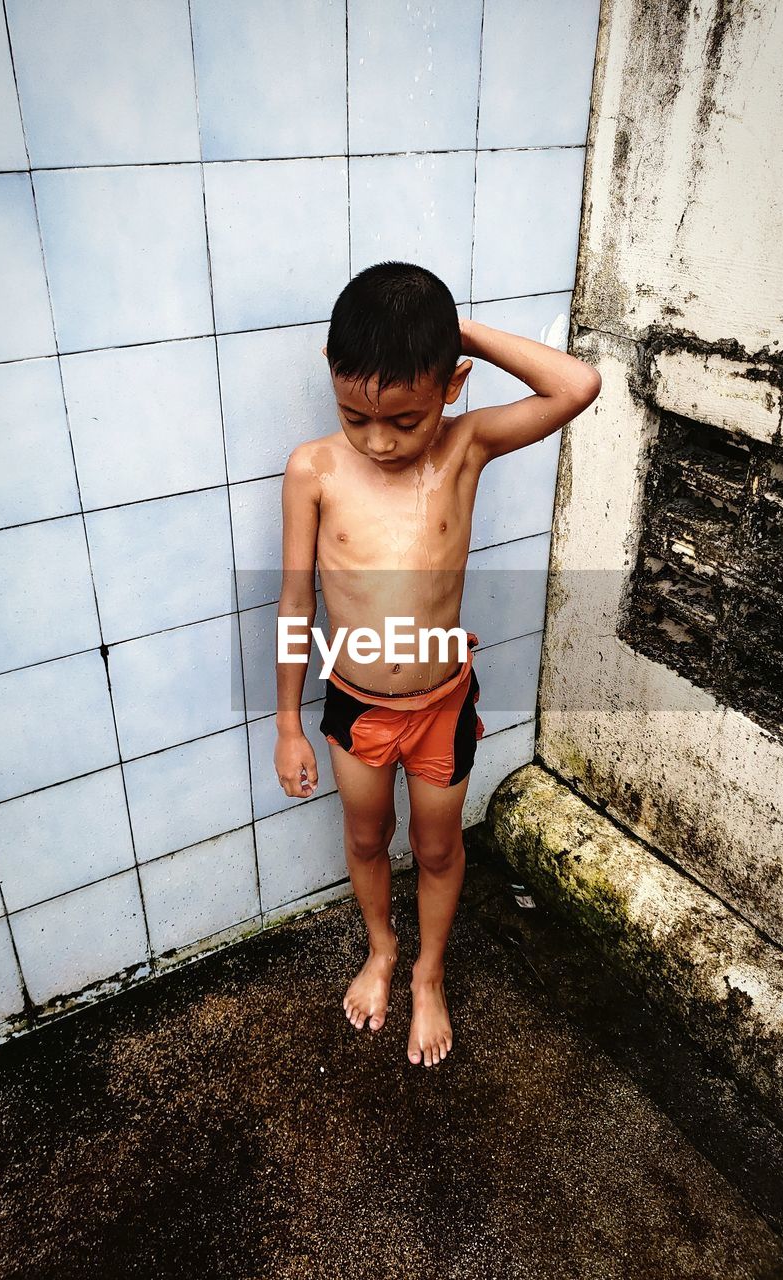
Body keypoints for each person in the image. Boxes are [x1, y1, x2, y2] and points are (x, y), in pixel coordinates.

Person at [273, 262, 601, 1067]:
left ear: (451, 386)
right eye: (357, 417)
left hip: (441, 706)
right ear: (332, 375)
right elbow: (294, 604)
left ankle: (427, 975)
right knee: (365, 836)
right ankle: (382, 950)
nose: (380, 441)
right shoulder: (313, 470)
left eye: (404, 420)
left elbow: (578, 385)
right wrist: (288, 721)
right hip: (354, 704)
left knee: (440, 845)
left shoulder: (464, 445)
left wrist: (463, 336)